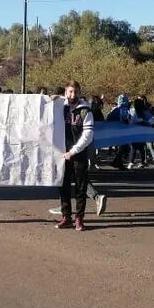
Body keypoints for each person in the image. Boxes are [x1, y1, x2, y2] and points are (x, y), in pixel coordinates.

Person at [56, 80, 94, 232]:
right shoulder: (60, 107)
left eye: (76, 92)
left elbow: (88, 135)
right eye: (70, 92)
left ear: (80, 92)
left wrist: (73, 151)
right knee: (63, 186)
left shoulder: (86, 111)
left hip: (79, 154)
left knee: (80, 187)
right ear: (65, 92)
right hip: (61, 154)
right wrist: (52, 98)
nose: (73, 95)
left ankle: (79, 218)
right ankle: (66, 217)